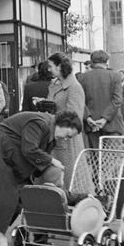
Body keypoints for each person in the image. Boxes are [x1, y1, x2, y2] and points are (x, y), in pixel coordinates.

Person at [0, 110, 83, 246]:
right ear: (63, 124)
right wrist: (51, 161)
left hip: (10, 153)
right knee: (7, 195)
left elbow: (33, 153)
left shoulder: (51, 131)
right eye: (68, 135)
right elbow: (29, 149)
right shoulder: (40, 123)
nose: (66, 140)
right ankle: (1, 242)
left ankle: (34, 233)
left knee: (22, 193)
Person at [47, 52, 85, 188]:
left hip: (67, 139)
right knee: (57, 176)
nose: (48, 69)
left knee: (69, 178)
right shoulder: (56, 85)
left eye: (51, 66)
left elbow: (74, 118)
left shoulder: (74, 87)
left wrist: (52, 112)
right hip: (57, 137)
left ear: (60, 67)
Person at [80, 49, 124, 148]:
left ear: (92, 61)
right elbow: (117, 100)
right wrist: (104, 118)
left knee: (95, 159)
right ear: (106, 61)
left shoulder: (82, 78)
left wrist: (88, 118)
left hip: (92, 124)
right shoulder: (115, 76)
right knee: (112, 159)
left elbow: (80, 101)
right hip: (112, 123)